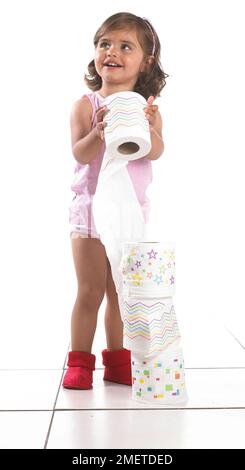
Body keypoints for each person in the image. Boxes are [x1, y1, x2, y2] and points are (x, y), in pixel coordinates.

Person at [63, 12, 168, 389]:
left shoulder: (146, 108)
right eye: (105, 43)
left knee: (121, 293)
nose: (112, 52)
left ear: (146, 61)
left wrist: (151, 126)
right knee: (89, 290)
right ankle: (79, 362)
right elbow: (80, 153)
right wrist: (99, 130)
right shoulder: (86, 105)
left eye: (126, 46)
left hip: (128, 218)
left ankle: (118, 361)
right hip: (90, 214)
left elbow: (153, 152)